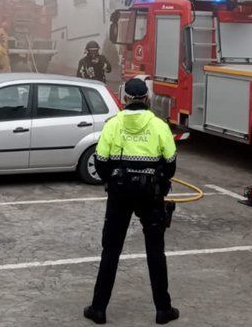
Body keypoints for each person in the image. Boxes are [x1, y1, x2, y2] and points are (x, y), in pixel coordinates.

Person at [85, 78, 178, 325]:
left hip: (119, 194)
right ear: (147, 98)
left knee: (111, 251)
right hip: (151, 195)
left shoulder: (113, 125)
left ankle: (98, 309)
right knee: (156, 251)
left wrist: (115, 179)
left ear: (124, 99)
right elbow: (170, 167)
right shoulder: (159, 126)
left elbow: (101, 162)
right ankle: (163, 310)